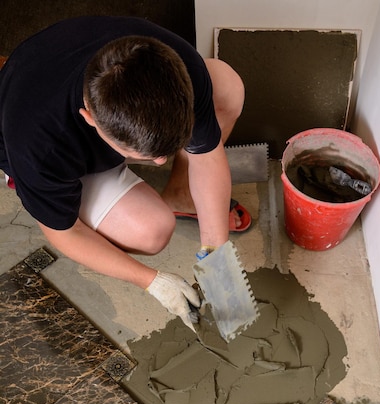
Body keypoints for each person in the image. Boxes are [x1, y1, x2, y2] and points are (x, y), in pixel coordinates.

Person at [0, 15, 248, 330]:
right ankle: (24, 180)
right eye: (146, 156)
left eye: (166, 153)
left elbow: (206, 156)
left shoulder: (177, 64)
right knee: (152, 231)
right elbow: (65, 234)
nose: (161, 162)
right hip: (49, 142)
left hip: (90, 101)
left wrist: (216, 253)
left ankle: (181, 194)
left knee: (227, 87)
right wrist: (151, 281)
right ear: (90, 118)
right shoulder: (39, 145)